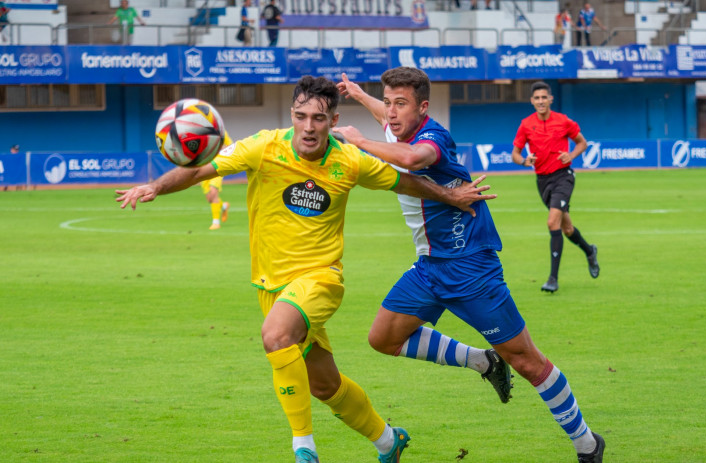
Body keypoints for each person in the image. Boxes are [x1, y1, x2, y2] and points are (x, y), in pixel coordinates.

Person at [116, 76, 494, 463]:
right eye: (301, 116)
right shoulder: (263, 147)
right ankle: (387, 441)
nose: (309, 126)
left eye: (318, 118)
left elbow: (405, 182)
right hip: (271, 285)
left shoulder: (349, 160)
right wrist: (155, 187)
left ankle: (304, 448)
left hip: (320, 279)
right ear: (292, 115)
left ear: (333, 120)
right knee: (325, 385)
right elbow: (200, 171)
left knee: (276, 335)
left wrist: (450, 194)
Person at [335, 68, 605, 463]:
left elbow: (412, 157)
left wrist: (358, 140)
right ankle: (482, 360)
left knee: (528, 361)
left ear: (422, 108)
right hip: (429, 266)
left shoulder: (432, 137)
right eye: (388, 103)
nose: (391, 113)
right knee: (384, 339)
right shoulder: (396, 123)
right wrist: (360, 95)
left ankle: (587, 443)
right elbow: (387, 119)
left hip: (470, 267)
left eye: (401, 104)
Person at [510, 81, 599, 293]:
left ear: (551, 99)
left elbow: (582, 143)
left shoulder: (563, 121)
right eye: (537, 98)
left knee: (552, 223)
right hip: (542, 181)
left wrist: (571, 155)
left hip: (563, 177)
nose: (541, 101)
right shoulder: (526, 124)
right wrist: (524, 161)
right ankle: (589, 251)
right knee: (567, 228)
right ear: (532, 101)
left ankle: (552, 279)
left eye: (544, 97)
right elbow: (514, 154)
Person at [202, 132, 232, 230]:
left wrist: (221, 150)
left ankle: (216, 222)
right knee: (209, 198)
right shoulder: (198, 132)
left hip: (217, 165)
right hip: (204, 166)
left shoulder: (220, 131)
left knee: (213, 191)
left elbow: (231, 146)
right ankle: (223, 206)